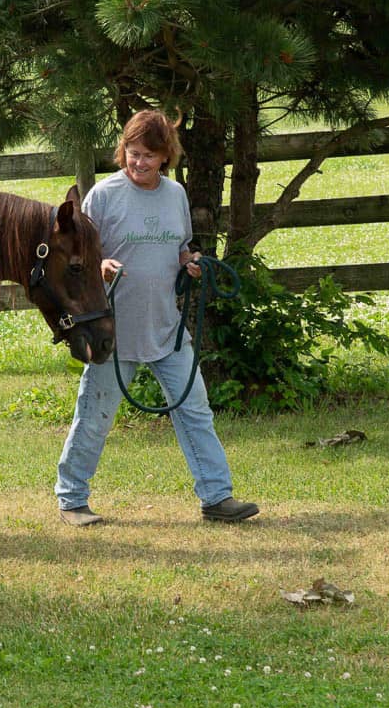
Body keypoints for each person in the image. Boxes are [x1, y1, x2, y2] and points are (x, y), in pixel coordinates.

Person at [56, 109, 260, 527]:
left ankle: (217, 497)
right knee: (94, 416)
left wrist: (190, 263)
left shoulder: (175, 195)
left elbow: (180, 247)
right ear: (123, 151)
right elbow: (77, 259)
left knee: (194, 409)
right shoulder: (104, 196)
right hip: (114, 333)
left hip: (167, 329)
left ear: (166, 155)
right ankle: (72, 498)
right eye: (133, 153)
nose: (139, 162)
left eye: (149, 155)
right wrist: (100, 266)